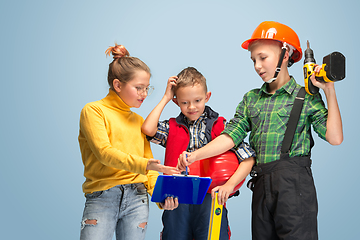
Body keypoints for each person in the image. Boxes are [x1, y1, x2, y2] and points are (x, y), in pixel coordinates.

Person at [178, 21, 343, 240]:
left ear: (286, 54)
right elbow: (230, 137)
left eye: (263, 58)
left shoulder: (305, 96)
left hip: (294, 186)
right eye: (253, 60)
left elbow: (334, 137)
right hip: (261, 184)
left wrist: (329, 90)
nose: (257, 65)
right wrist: (194, 155)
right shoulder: (251, 99)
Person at [78, 44, 179, 240]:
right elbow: (104, 153)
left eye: (147, 88)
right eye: (138, 88)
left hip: (138, 198)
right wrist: (145, 164)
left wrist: (161, 197)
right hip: (102, 196)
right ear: (117, 85)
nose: (144, 94)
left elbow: (149, 168)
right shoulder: (93, 111)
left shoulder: (139, 121)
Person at [141, 67, 255, 240]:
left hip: (211, 199)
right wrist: (165, 98)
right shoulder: (171, 127)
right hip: (177, 200)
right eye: (184, 102)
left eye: (197, 100)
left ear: (207, 97)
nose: (191, 107)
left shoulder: (221, 127)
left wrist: (229, 186)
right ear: (176, 102)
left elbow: (248, 158)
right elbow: (148, 129)